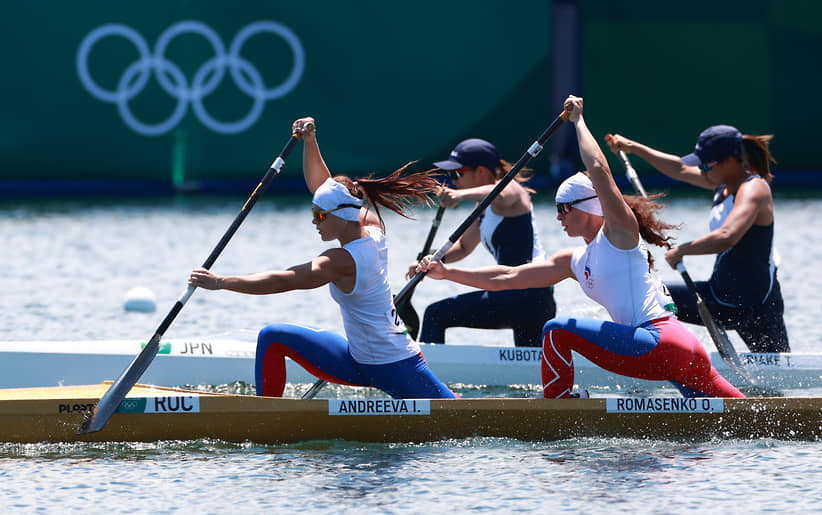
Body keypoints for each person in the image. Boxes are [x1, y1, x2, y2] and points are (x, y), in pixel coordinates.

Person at [417, 95, 744, 399]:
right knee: (743, 418)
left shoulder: (618, 234)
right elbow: (508, 277)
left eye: (564, 208)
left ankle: (559, 406)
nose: (559, 217)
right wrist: (446, 273)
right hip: (681, 349)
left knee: (557, 330)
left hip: (657, 341)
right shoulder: (573, 260)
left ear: (588, 207)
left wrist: (579, 122)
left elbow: (600, 172)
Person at [188, 117, 456, 400]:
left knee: (455, 412)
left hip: (395, 365)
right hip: (357, 360)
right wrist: (310, 140)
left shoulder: (340, 261)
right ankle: (267, 417)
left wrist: (221, 282)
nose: (314, 221)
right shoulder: (372, 227)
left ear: (340, 216)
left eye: (318, 215)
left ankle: (263, 420)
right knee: (272, 337)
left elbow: (285, 279)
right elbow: (324, 188)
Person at [606, 125, 790, 353]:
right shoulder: (722, 184)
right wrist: (632, 148)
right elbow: (679, 168)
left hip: (755, 304)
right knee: (647, 295)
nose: (701, 170)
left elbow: (727, 236)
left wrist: (682, 251)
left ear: (730, 161)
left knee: (779, 382)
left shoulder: (755, 189)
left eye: (705, 165)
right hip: (719, 295)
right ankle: (646, 354)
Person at [408, 137, 556, 347]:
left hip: (526, 293)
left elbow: (501, 192)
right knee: (531, 372)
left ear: (481, 171)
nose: (454, 180)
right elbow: (463, 247)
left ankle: (425, 377)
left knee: (435, 314)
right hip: (523, 297)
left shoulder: (512, 191)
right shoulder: (483, 207)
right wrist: (429, 261)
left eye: (457, 173)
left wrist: (458, 195)